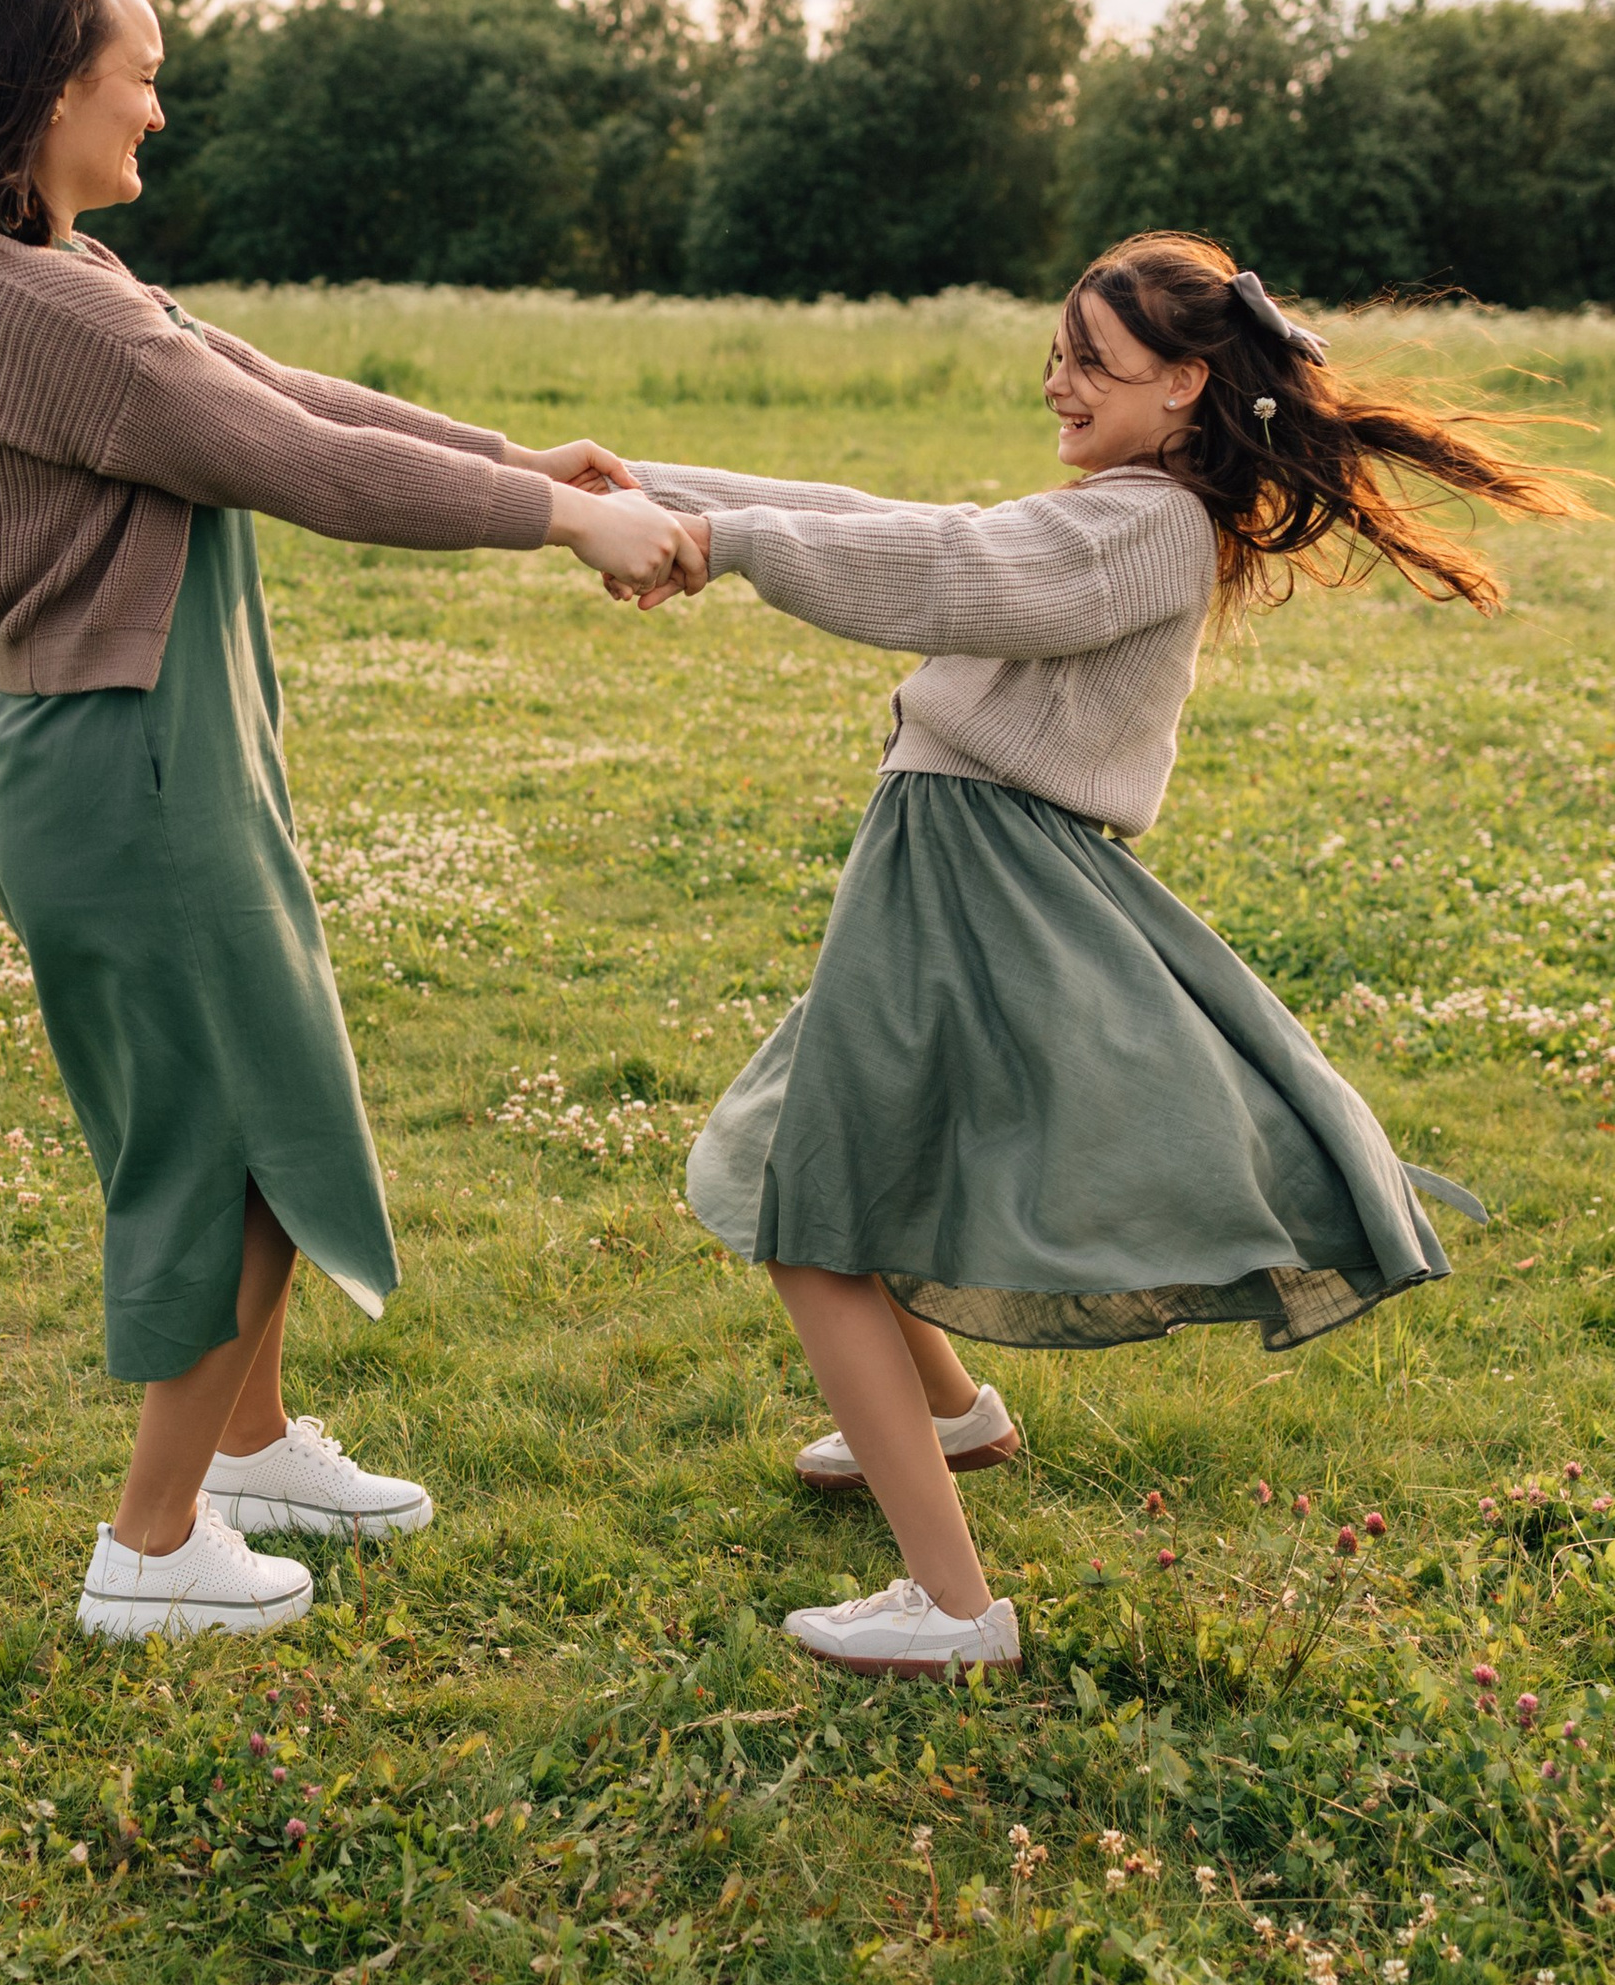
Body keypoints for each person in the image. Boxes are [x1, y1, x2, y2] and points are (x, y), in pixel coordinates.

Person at [618, 232, 1580, 1675]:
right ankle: (953, 1415)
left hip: (980, 880)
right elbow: (904, 517)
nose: (1059, 385)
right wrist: (647, 490)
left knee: (816, 1218)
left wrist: (732, 543)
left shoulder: (1145, 528)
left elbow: (956, 574)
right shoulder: (1123, 504)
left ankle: (953, 1607)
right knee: (790, 1151)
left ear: (1188, 384)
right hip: (945, 865)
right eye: (1057, 356)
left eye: (1094, 364)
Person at [0, 0, 693, 1642]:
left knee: (244, 1097)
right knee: (234, 1139)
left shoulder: (50, 270)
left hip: (152, 754)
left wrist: (504, 458)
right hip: (123, 769)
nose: (159, 114)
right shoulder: (30, 301)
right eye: (144, 78)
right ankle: (152, 1545)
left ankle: (247, 1452)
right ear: (51, 88)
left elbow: (268, 386)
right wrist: (566, 521)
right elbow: (292, 462)